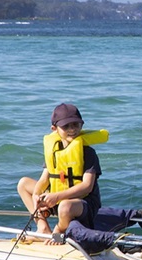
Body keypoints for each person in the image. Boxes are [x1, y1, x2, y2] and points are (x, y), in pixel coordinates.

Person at [17, 102, 103, 243]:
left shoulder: (88, 153)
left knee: (64, 206)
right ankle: (42, 228)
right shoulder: (54, 151)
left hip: (81, 204)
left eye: (76, 125)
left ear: (82, 125)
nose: (72, 129)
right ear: (54, 129)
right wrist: (37, 195)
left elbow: (87, 186)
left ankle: (58, 232)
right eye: (66, 126)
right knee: (23, 184)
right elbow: (44, 179)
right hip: (57, 198)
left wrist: (56, 197)